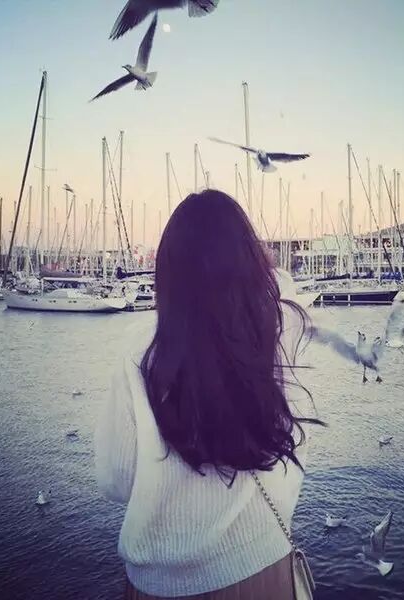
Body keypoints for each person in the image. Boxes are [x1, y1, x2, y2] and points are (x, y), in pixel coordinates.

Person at [95, 190, 322, 599]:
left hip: (160, 587)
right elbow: (281, 285)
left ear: (167, 273)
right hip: (262, 569)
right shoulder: (280, 332)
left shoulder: (139, 352)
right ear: (251, 263)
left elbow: (116, 480)